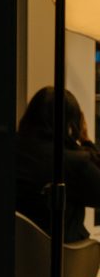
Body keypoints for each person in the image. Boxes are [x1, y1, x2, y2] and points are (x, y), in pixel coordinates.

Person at [17, 85, 100, 243]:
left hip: (17, 249)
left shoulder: (11, 151)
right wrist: (86, 141)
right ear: (72, 123)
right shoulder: (72, 162)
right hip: (63, 251)